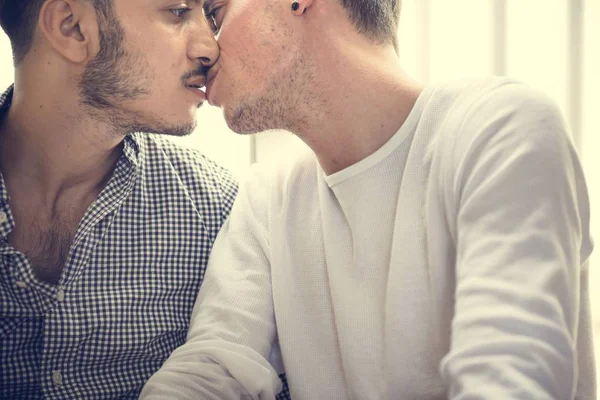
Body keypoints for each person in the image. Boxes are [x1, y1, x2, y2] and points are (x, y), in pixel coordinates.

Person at [141, 0, 595, 399]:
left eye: (217, 13)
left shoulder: (499, 129)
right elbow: (214, 367)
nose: (204, 48)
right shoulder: (268, 197)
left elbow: (510, 377)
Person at [0, 0, 243, 398]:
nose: (210, 48)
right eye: (179, 11)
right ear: (72, 27)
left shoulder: (218, 212)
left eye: (209, 17)